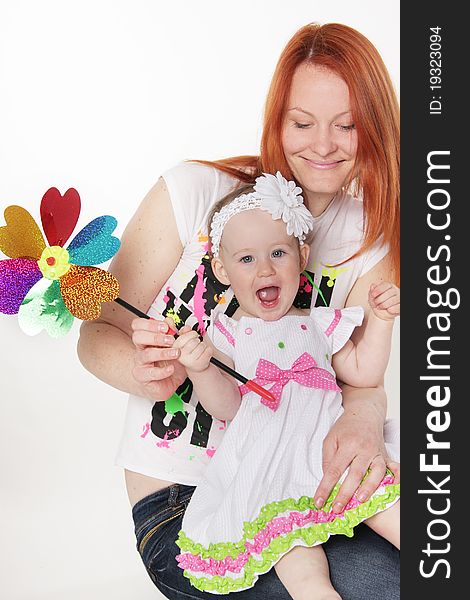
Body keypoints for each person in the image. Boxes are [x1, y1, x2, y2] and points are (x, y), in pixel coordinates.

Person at [77, 22, 400, 600]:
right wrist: (144, 371)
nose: (322, 145)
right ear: (277, 120)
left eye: (346, 125)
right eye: (302, 123)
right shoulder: (194, 192)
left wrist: (364, 419)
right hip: (186, 499)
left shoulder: (369, 241)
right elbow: (96, 331)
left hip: (308, 479)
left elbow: (362, 380)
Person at [173, 174, 400, 599]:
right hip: (272, 463)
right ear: (221, 270)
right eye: (246, 259)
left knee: (387, 505)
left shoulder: (317, 321)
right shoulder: (228, 335)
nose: (265, 269)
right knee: (298, 561)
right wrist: (201, 370)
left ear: (302, 255)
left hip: (332, 447)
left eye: (278, 252)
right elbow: (227, 408)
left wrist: (383, 323)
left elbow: (363, 373)